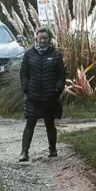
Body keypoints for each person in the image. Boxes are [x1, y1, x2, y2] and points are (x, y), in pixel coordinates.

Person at [18, 26, 67, 162]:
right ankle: (24, 152)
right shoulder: (29, 54)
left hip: (50, 96)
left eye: (46, 38)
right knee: (30, 124)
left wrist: (58, 88)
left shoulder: (56, 55)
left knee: (49, 124)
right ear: (37, 39)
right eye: (41, 38)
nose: (43, 40)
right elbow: (23, 73)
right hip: (33, 96)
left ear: (50, 39)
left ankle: (52, 149)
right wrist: (25, 87)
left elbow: (61, 74)